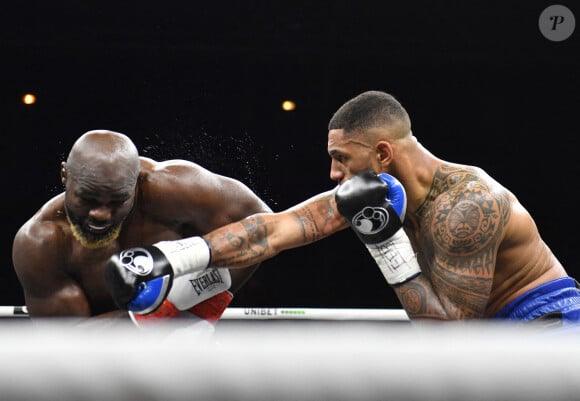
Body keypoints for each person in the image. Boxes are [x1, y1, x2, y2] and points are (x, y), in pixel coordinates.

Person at [106, 91, 580, 326]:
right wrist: (170, 259)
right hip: (484, 334)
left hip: (547, 325)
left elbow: (453, 340)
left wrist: (386, 244)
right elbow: (271, 231)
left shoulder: (467, 207)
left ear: (383, 153)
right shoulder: (373, 188)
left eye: (341, 159)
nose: (334, 175)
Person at [12, 129, 272, 332]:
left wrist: (201, 303)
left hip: (186, 352)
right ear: (64, 176)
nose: (101, 215)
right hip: (101, 372)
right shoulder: (42, 243)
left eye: (117, 201)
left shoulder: (173, 189)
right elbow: (69, 345)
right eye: (88, 199)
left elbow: (264, 226)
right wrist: (160, 315)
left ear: (136, 183)